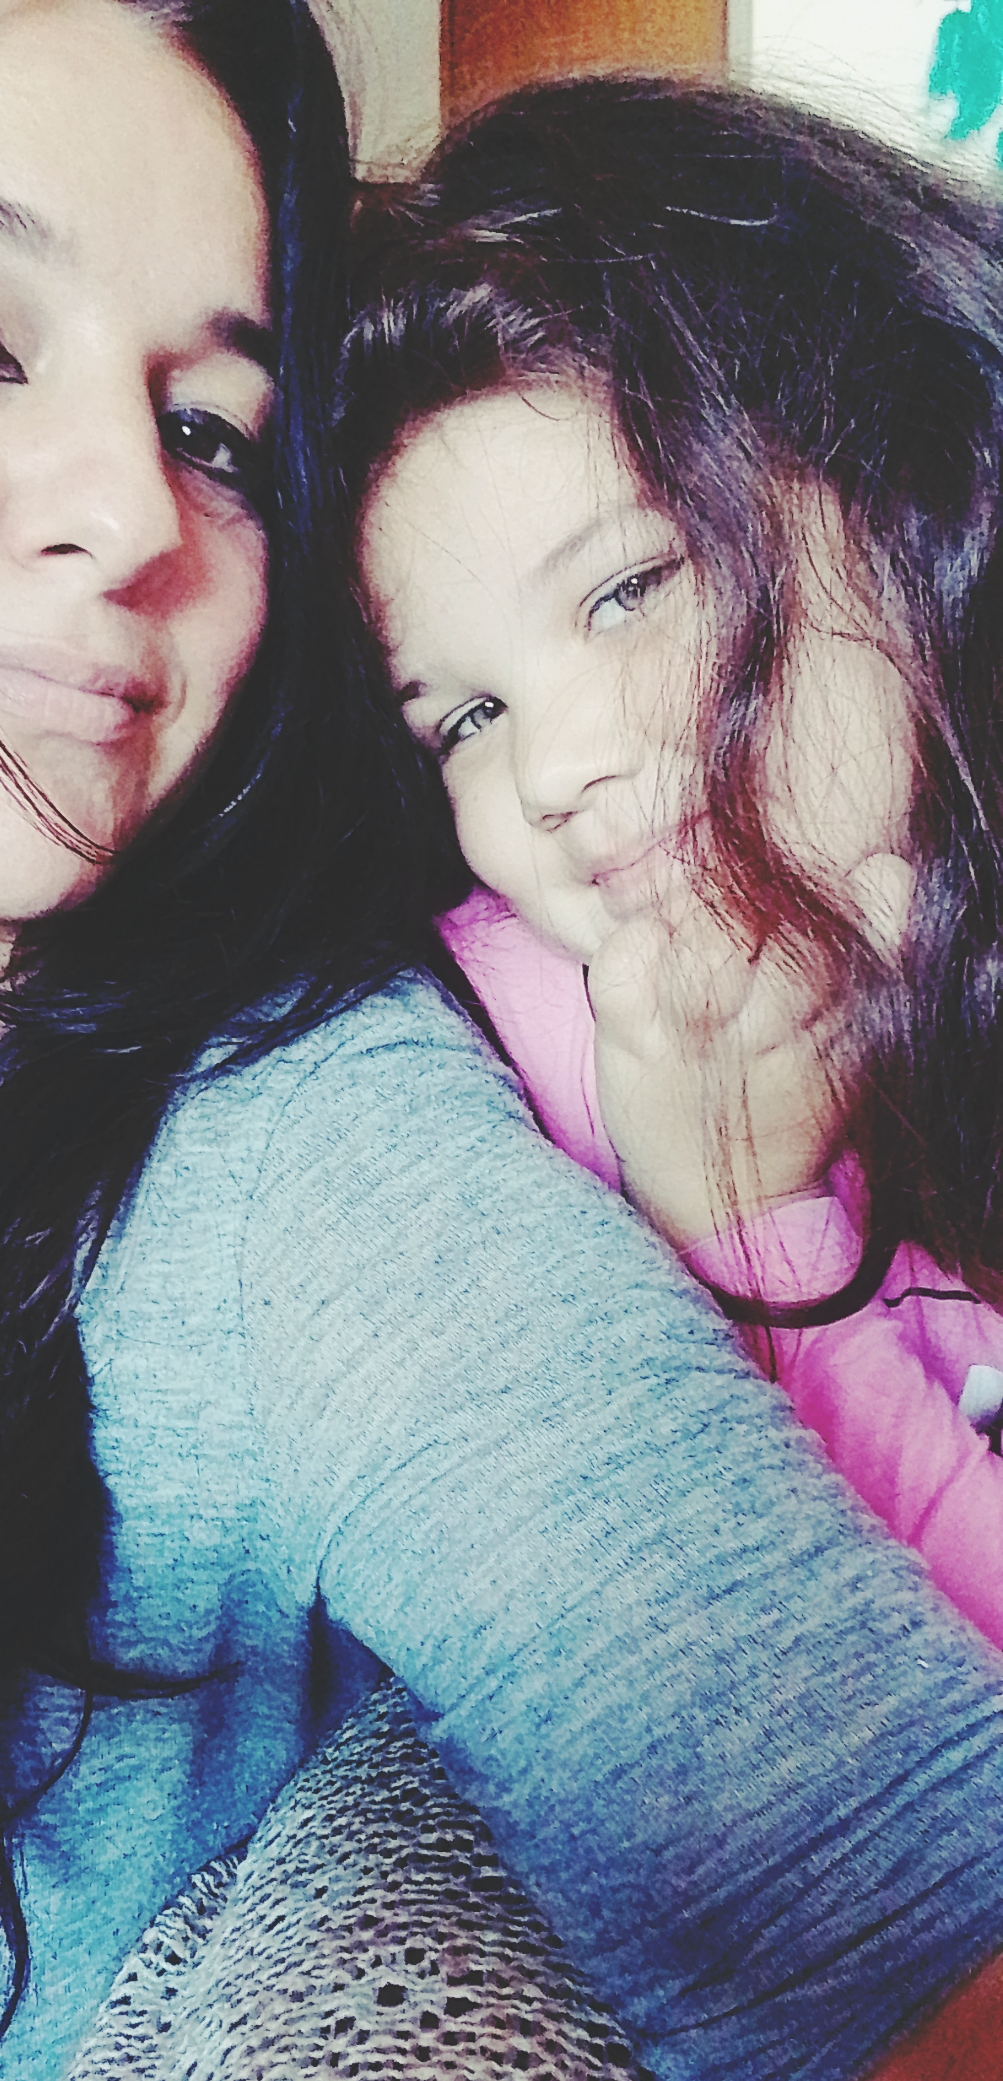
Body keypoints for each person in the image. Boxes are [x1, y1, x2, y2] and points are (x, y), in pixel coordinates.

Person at [0, 10, 1003, 2081]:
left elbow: (906, 1952)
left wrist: (741, 1226)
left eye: (216, 433)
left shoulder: (306, 1163)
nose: (130, 515)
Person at [345, 75, 1003, 1659]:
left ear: (901, 487)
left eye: (630, 588)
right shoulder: (526, 1070)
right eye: (467, 718)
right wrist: (741, 1228)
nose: (549, 772)